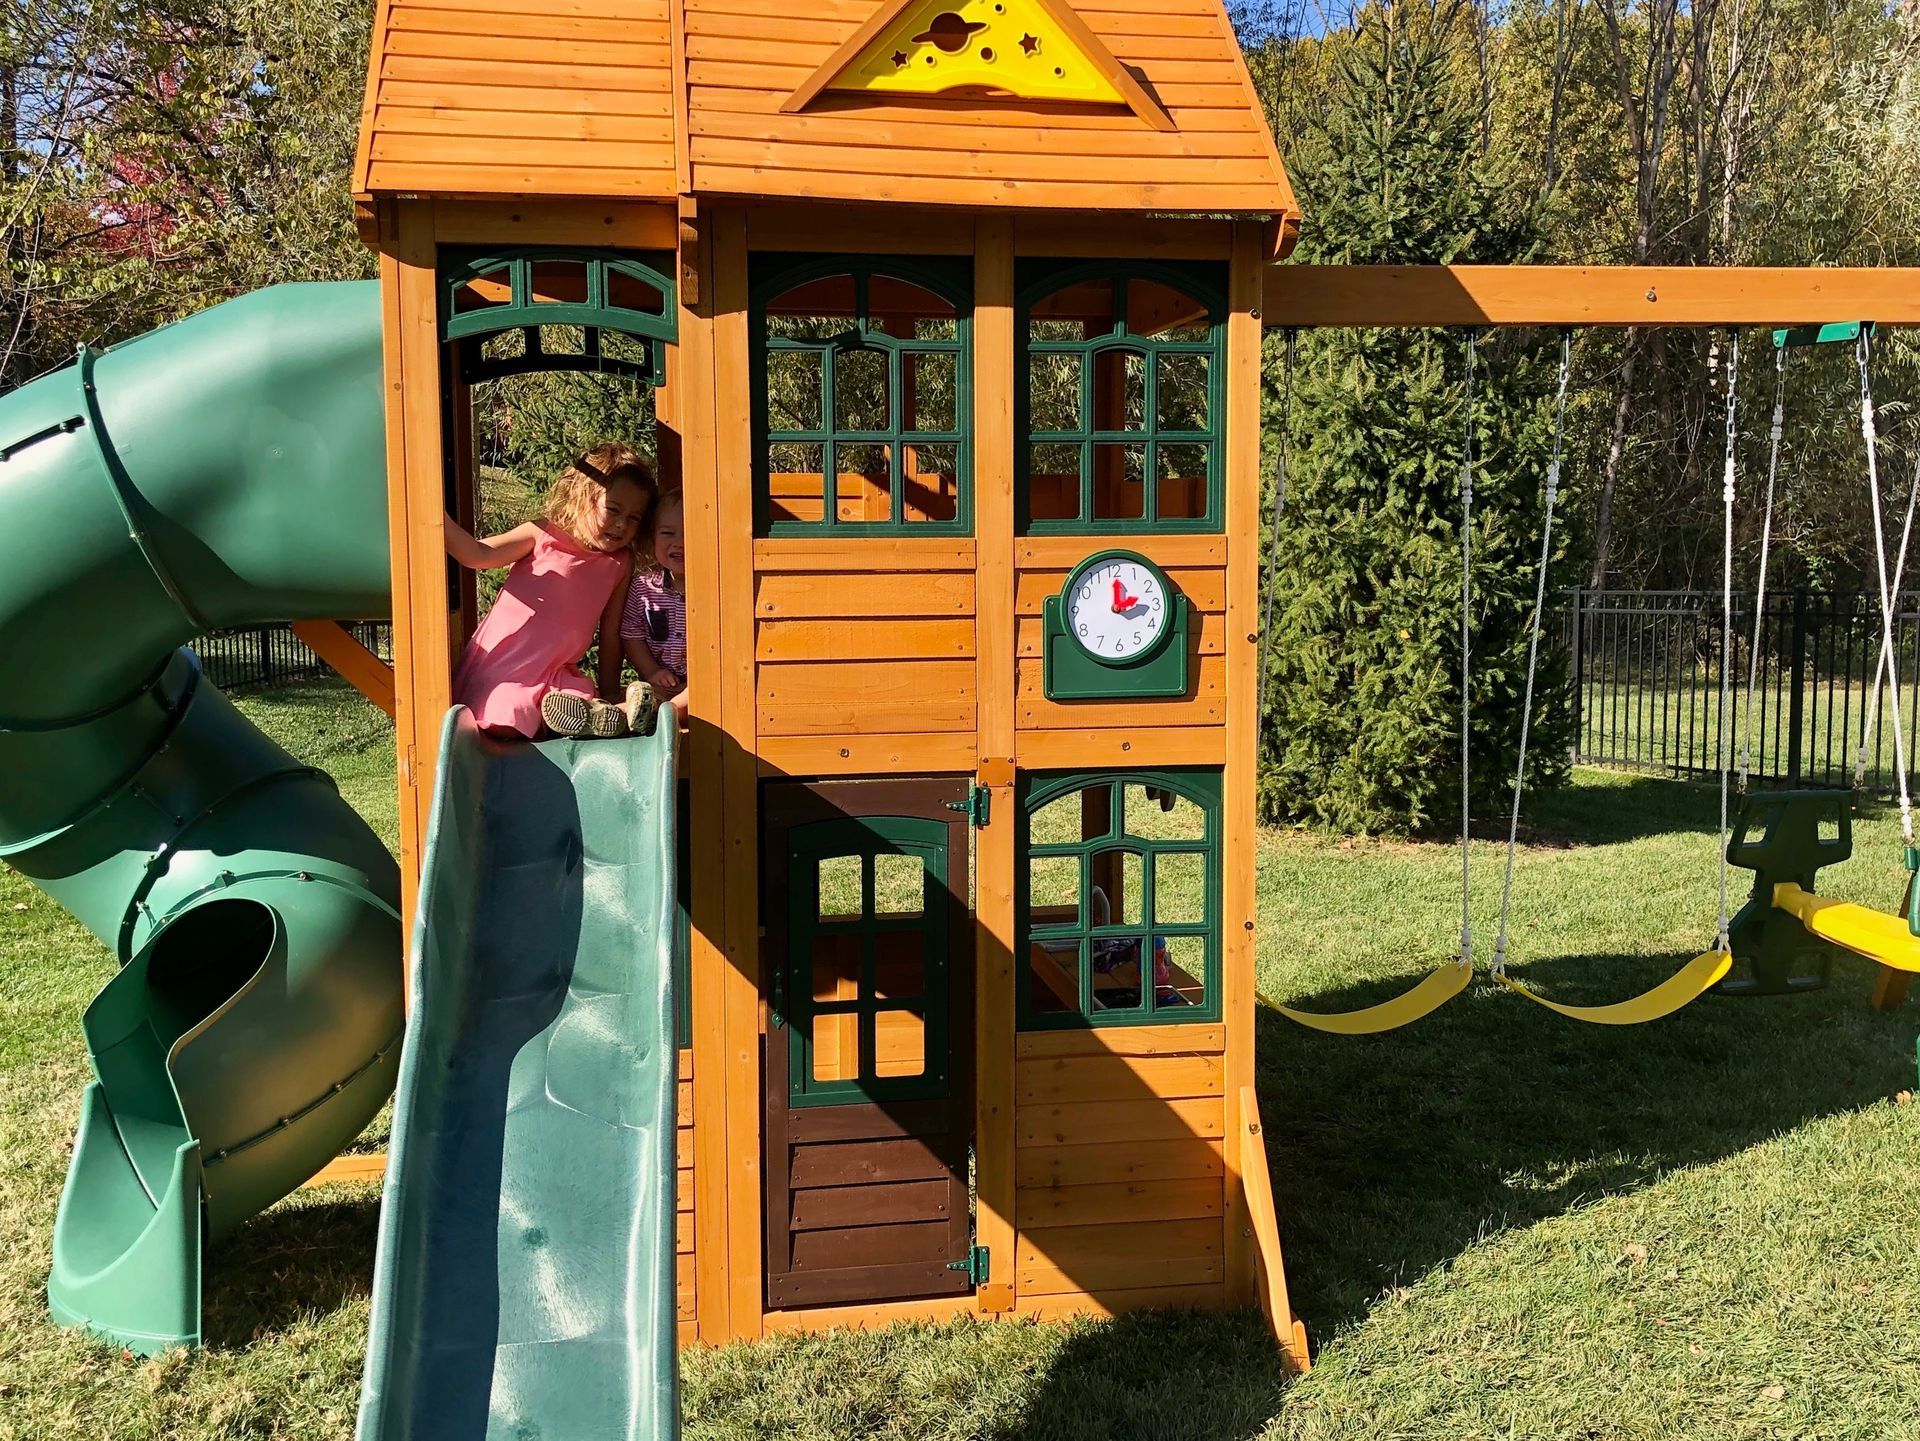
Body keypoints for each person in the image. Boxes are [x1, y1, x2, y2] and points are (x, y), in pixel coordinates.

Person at [446, 442, 657, 739]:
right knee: (510, 713)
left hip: (556, 673)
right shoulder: (543, 535)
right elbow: (479, 555)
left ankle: (609, 715)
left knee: (575, 700)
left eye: (634, 518)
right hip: (507, 668)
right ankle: (561, 723)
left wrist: (609, 690)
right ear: (582, 497)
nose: (622, 524)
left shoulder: (619, 563)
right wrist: (436, 518)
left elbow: (611, 633)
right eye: (613, 509)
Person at [619, 487, 688, 729]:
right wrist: (651, 671)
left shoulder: (714, 587)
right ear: (653, 538)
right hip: (659, 682)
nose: (679, 543)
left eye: (691, 533)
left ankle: (662, 717)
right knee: (645, 696)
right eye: (668, 533)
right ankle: (607, 716)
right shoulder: (643, 587)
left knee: (695, 698)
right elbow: (631, 634)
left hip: (700, 687)